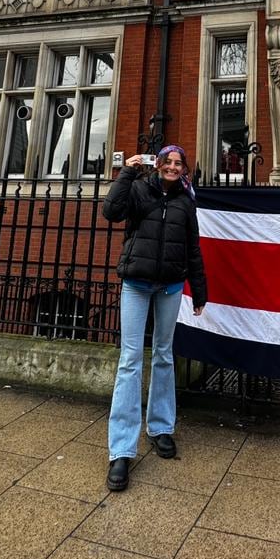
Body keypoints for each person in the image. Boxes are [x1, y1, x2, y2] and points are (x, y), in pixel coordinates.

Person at [101, 144, 207, 492]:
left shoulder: (185, 201)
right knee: (130, 360)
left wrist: (200, 292)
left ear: (183, 168)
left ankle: (161, 428)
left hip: (171, 287)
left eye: (178, 163)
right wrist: (127, 171)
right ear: (158, 164)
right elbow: (111, 211)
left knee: (163, 355)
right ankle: (121, 449)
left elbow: (192, 247)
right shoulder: (139, 190)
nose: (173, 168)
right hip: (136, 284)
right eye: (168, 162)